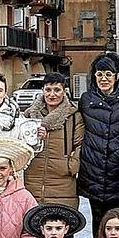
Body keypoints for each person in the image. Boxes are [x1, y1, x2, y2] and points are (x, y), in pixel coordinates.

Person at [78, 52, 119, 238]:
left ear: (116, 76)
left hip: (118, 173)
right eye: (99, 74)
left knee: (118, 221)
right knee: (98, 221)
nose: (104, 79)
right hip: (93, 171)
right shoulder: (86, 100)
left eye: (108, 74)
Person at [23, 72, 85, 210]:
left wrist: (70, 166)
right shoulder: (29, 115)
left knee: (61, 226)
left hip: (63, 183)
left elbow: (80, 144)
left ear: (64, 91)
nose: (52, 94)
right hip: (32, 179)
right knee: (32, 227)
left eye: (57, 90)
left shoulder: (74, 116)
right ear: (43, 91)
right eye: (48, 90)